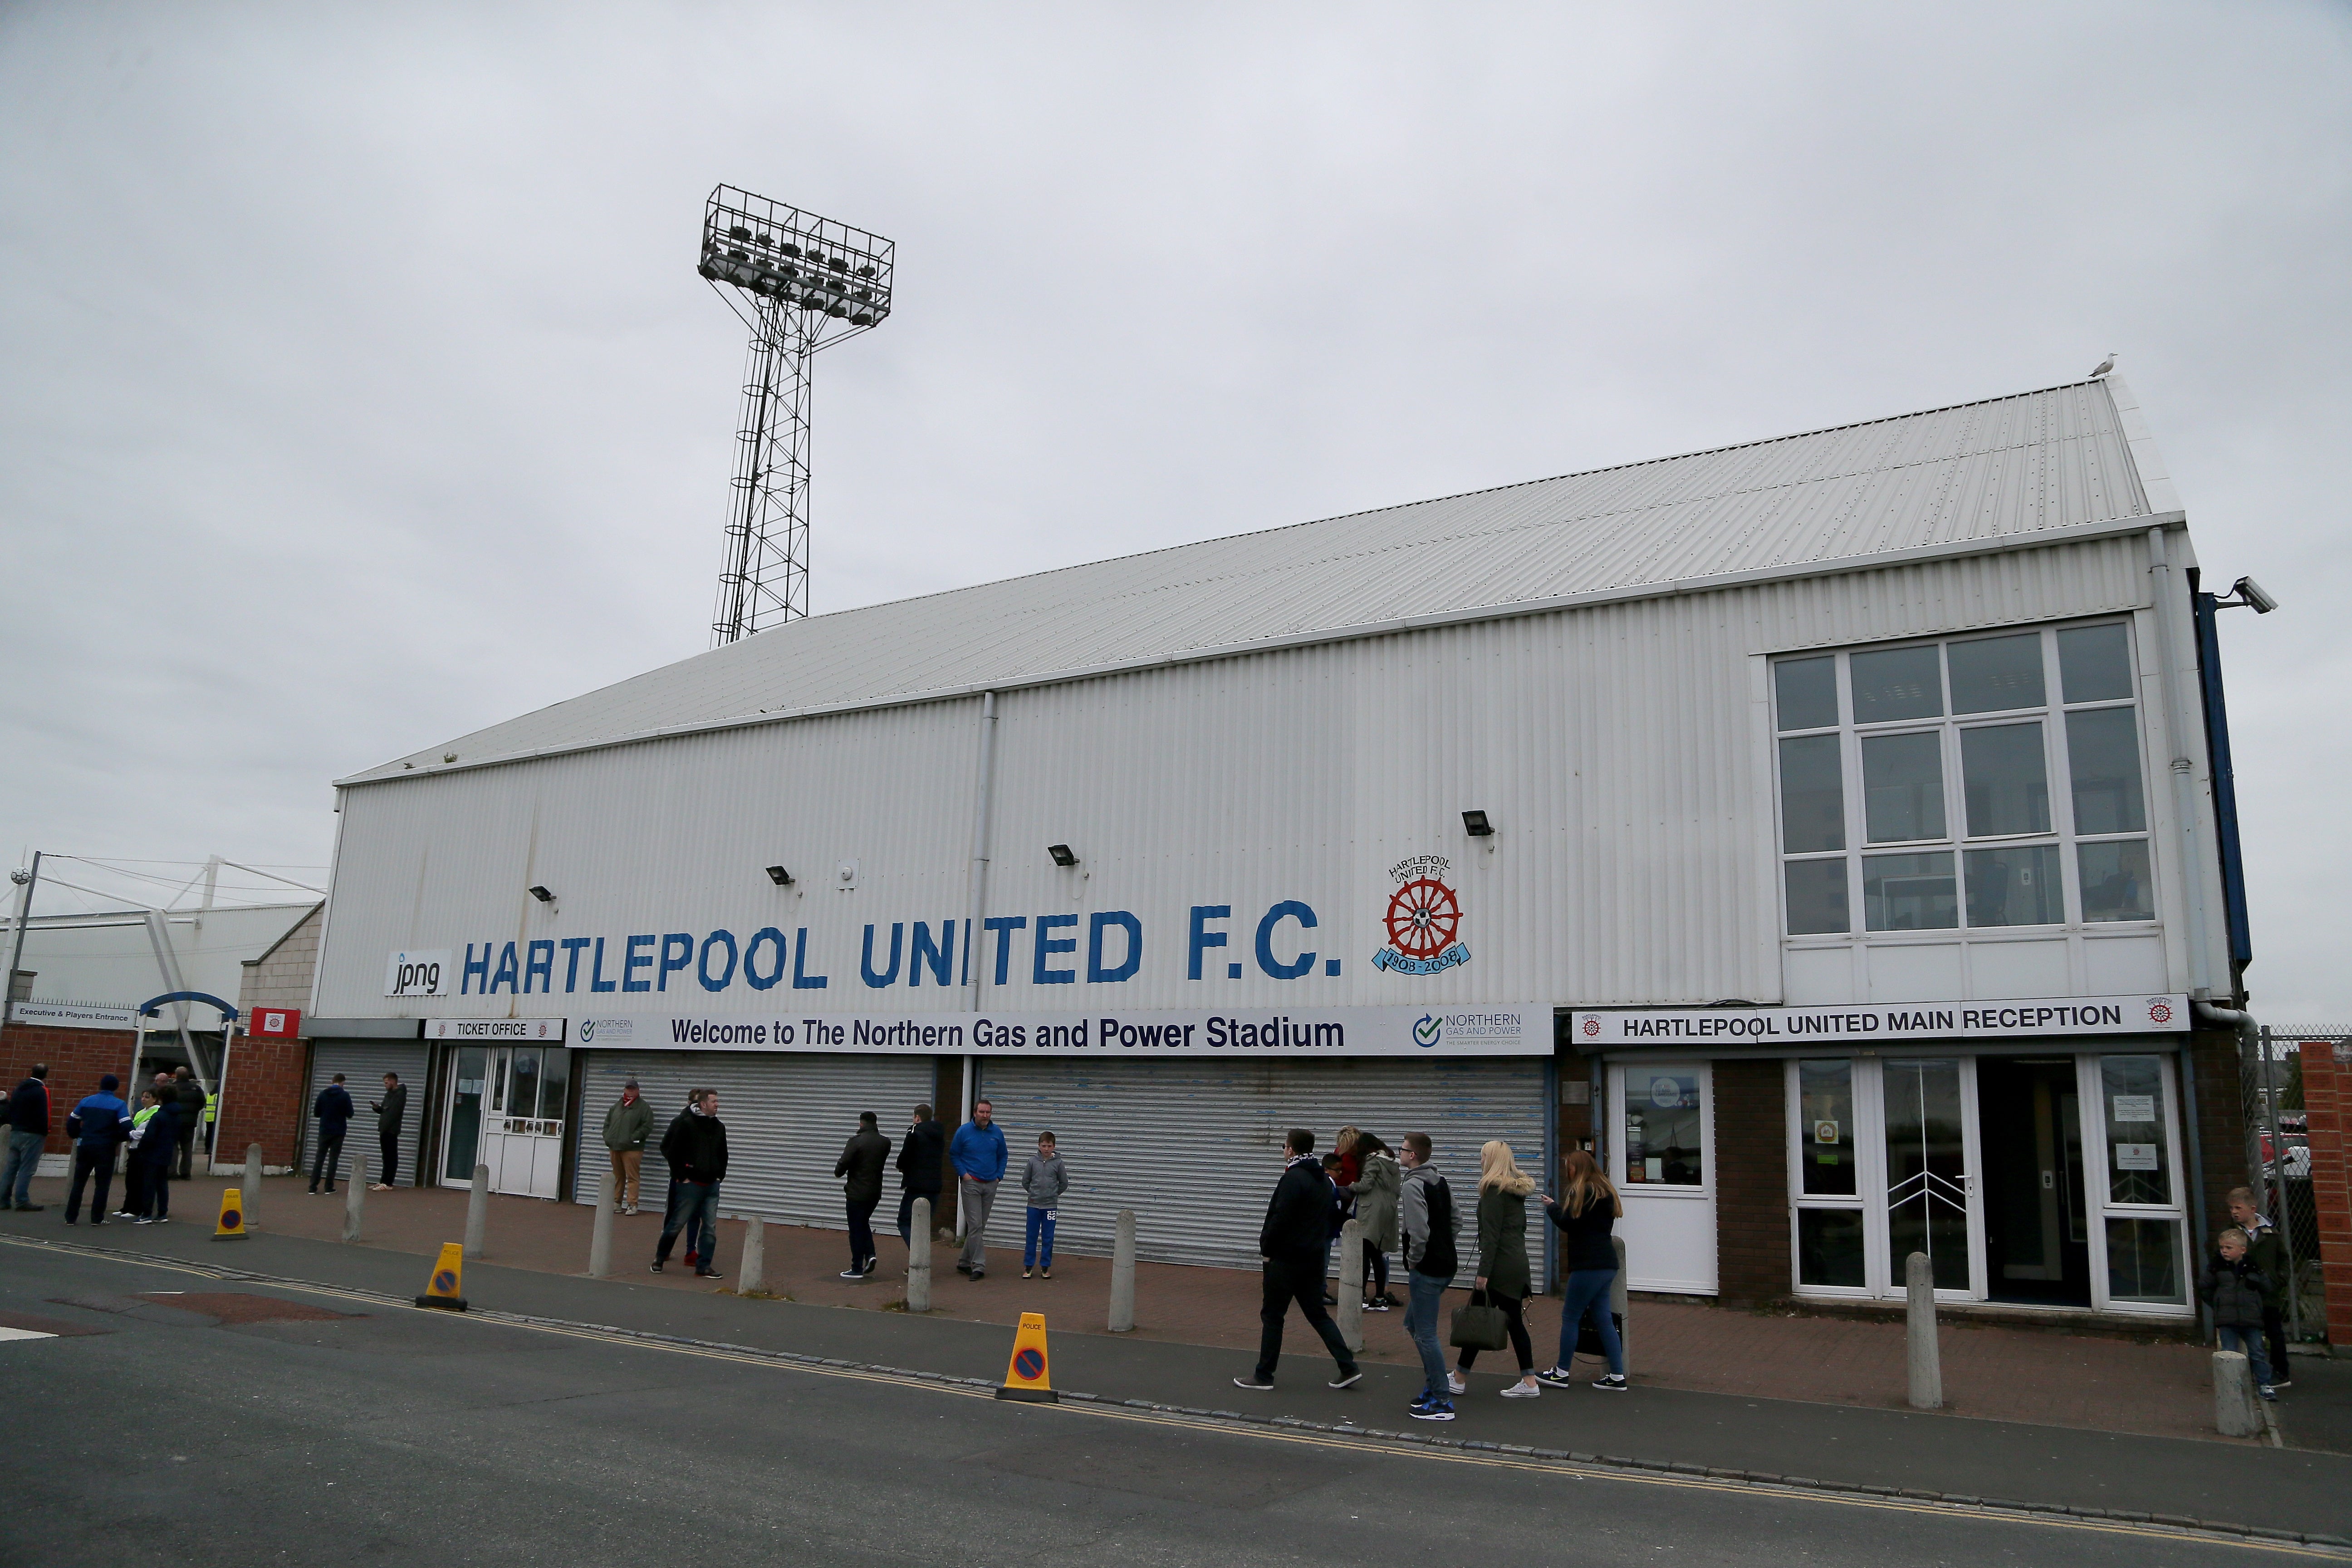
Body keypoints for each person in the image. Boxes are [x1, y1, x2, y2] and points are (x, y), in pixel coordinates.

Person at [1234, 1128, 1363, 1392]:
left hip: (1286, 1259)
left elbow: (1281, 1218)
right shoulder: (1322, 1179)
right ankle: (1348, 1367)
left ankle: (1264, 1375)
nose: (1283, 1150)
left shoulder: (1293, 1179)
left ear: (1291, 1150)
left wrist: (1266, 1248)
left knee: (1273, 1316)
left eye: (1284, 1146)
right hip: (1313, 1258)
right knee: (1317, 1314)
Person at [1451, 1139, 1540, 1399]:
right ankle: (1528, 1381)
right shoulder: (1515, 1192)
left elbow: (1492, 1237)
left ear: (1491, 1160)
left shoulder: (1493, 1190)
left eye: (1483, 1156)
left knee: (1478, 1319)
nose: (1480, 1161)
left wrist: (1483, 1273)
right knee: (1508, 1321)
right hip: (1517, 1263)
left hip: (1499, 1266)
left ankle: (1459, 1378)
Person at [1538, 1149, 1627, 1391]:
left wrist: (1553, 1207)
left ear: (1577, 1168)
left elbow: (1569, 1223)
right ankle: (1617, 1376)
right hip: (1607, 1263)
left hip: (1587, 1265)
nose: (1567, 1169)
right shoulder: (1606, 1190)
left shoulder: (1583, 1190)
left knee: (1571, 1317)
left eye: (1569, 1165)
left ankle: (1561, 1372)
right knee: (1603, 1319)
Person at [1398, 1131, 1459, 1421]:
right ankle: (1433, 1386)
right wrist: (1445, 1244)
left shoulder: (1413, 1185)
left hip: (1426, 1268)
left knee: (1426, 1334)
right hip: (1446, 1265)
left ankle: (1442, 1402)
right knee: (1412, 1324)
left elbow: (1418, 1231)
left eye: (1403, 1149)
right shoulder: (1441, 1181)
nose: (1399, 1152)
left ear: (1413, 1156)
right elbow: (1456, 1220)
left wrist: (1414, 1261)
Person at [654, 1088, 728, 1278]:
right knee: (677, 1223)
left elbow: (723, 1154)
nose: (717, 1105)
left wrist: (720, 1175)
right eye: (714, 1101)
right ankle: (660, 1258)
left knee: (710, 1227)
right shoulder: (686, 1124)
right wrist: (682, 1176)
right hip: (690, 1185)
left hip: (711, 1185)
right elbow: (672, 1152)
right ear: (703, 1104)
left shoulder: (719, 1127)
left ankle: (703, 1266)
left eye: (718, 1101)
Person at [2200, 1226, 2277, 1401]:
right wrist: (2218, 1304)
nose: (2224, 1251)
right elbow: (2205, 1288)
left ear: (2242, 1250)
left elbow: (2267, 1289)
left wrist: (2257, 1296)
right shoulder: (2217, 1268)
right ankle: (2231, 1386)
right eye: (2222, 1248)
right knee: (2229, 1353)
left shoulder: (2252, 1267)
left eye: (2229, 1248)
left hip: (2251, 1319)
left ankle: (2264, 1384)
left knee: (2257, 1352)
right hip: (2227, 1318)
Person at [2228, 1186, 2292, 1389]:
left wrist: (2279, 1279)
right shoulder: (2231, 1234)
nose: (2234, 1212)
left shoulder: (2270, 1233)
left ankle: (2281, 1372)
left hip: (2267, 1292)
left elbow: (2283, 1258)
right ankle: (2249, 1372)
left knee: (2275, 1332)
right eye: (2231, 1208)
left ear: (2252, 1209)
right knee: (2245, 1333)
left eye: (2238, 1208)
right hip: (2243, 1294)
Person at [951, 1098, 1008, 1281]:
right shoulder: (964, 1131)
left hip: (991, 1183)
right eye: (982, 1112)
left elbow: (1003, 1155)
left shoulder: (997, 1132)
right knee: (975, 1225)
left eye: (988, 1113)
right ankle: (979, 1266)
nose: (985, 1116)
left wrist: (999, 1176)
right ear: (975, 1113)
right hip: (971, 1184)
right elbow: (954, 1154)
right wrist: (964, 1175)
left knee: (979, 1226)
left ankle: (963, 1262)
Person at [1343, 1132, 1401, 1310]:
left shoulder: (1373, 1160)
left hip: (1371, 1212)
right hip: (1387, 1211)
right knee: (1378, 1255)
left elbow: (1366, 1185)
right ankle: (1380, 1298)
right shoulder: (1392, 1162)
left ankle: (1360, 1297)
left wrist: (1348, 1187)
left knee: (1365, 1255)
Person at [64, 1073, 129, 1225]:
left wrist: (77, 1135)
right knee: (102, 1184)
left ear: (101, 1086)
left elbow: (72, 1121)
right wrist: (116, 1138)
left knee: (79, 1183)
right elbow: (126, 1126)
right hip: (105, 1147)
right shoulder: (119, 1104)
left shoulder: (86, 1101)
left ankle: (71, 1218)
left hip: (86, 1145)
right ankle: (97, 1218)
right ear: (116, 1087)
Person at [834, 1111, 891, 1279]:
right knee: (863, 1222)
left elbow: (842, 1166)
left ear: (861, 1124)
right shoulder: (885, 1143)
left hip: (857, 1192)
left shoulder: (855, 1142)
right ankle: (871, 1254)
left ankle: (856, 1267)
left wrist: (839, 1171)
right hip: (874, 1193)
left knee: (856, 1229)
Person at [1, 1063, 51, 1211]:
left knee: (11, 1168)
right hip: (33, 1133)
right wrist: (45, 1130)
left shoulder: (19, 1089)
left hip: (16, 1131)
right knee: (27, 1168)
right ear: (45, 1075)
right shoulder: (42, 1091)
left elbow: (11, 1109)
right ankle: (22, 1200)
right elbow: (46, 1113)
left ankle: (3, 1199)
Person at [896, 1103, 945, 1249]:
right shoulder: (939, 1135)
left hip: (916, 1186)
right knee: (924, 1225)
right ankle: (921, 1262)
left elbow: (904, 1158)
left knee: (904, 1221)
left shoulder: (914, 1134)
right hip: (935, 1186)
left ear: (917, 1117)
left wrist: (901, 1167)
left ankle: (918, 1256)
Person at [1020, 1131, 1068, 1279]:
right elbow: (1025, 1181)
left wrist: (1053, 1195)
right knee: (1031, 1236)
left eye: (1049, 1146)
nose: (1046, 1149)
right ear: (1039, 1146)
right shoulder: (1032, 1162)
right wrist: (1034, 1194)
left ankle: (1045, 1267)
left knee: (1048, 1237)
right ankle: (1028, 1267)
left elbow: (1064, 1183)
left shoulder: (1058, 1164)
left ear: (1054, 1147)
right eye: (1044, 1146)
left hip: (1050, 1207)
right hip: (1033, 1206)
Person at [601, 1078, 652, 1214]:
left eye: (633, 1088)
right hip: (615, 1147)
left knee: (632, 1177)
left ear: (638, 1090)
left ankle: (632, 1204)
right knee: (618, 1176)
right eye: (628, 1088)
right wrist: (608, 1138)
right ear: (624, 1089)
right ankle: (617, 1202)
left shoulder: (643, 1107)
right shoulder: (617, 1106)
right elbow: (607, 1124)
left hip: (632, 1149)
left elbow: (647, 1126)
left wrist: (633, 1138)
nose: (630, 1091)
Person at [130, 1089, 178, 1224]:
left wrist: (141, 1149)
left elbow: (149, 1136)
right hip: (167, 1152)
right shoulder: (176, 1115)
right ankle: (162, 1213)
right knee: (162, 1183)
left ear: (162, 1099)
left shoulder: (159, 1116)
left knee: (149, 1184)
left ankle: (146, 1214)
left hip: (152, 1153)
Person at [309, 1073, 354, 1195]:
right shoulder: (345, 1095)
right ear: (343, 1082)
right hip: (339, 1132)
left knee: (319, 1159)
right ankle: (329, 1188)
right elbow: (350, 1114)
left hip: (324, 1130)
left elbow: (317, 1113)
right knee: (333, 1159)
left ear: (332, 1081)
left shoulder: (323, 1094)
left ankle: (312, 1187)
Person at [368, 1072, 408, 1190]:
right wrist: (377, 1108)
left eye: (386, 1083)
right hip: (385, 1129)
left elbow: (394, 1113)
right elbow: (384, 1111)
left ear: (393, 1081)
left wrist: (386, 1125)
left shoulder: (400, 1095)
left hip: (391, 1130)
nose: (385, 1085)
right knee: (386, 1157)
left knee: (391, 1156)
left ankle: (388, 1183)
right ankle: (383, 1181)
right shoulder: (389, 1094)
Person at [172, 1066, 206, 1180]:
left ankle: (171, 1172)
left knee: (173, 1147)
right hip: (190, 1123)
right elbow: (202, 1104)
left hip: (174, 1122)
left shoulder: (172, 1088)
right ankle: (186, 1173)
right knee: (187, 1148)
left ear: (176, 1076)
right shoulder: (196, 1089)